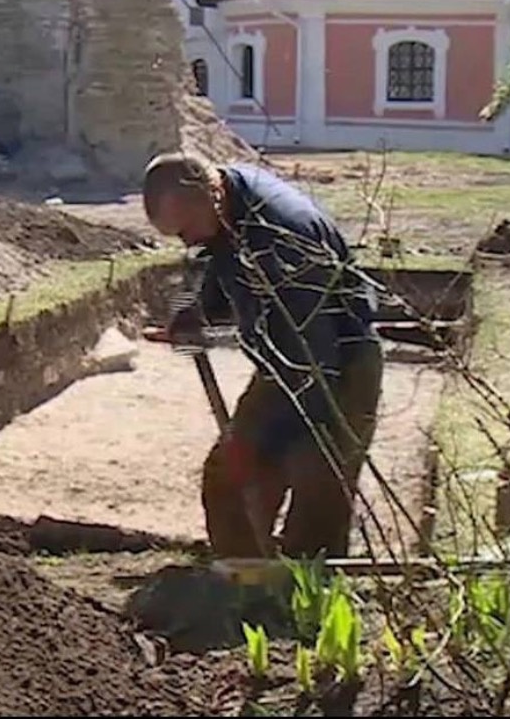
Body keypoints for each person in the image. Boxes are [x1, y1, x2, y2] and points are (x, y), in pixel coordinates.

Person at [141, 152, 383, 559]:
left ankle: (304, 602)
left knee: (316, 485)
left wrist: (265, 443)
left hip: (338, 365)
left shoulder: (284, 236)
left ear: (211, 194)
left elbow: (311, 357)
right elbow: (221, 262)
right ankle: (244, 577)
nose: (187, 242)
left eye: (185, 230)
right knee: (227, 479)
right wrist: (194, 313)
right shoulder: (226, 205)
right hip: (284, 357)